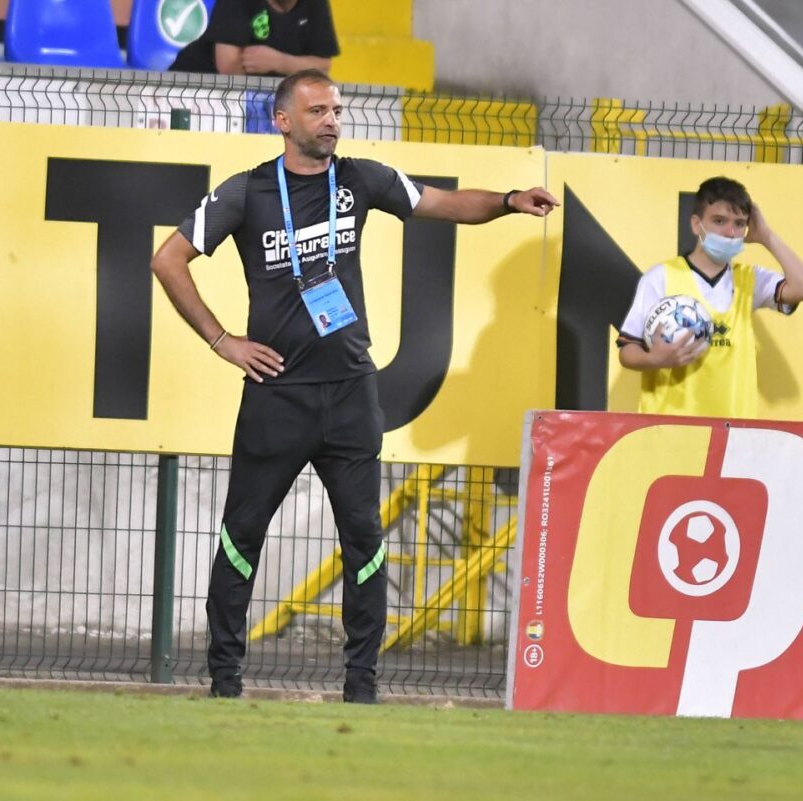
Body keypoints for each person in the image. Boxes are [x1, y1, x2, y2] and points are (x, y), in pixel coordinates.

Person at [151, 69, 558, 703]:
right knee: (241, 536)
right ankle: (225, 679)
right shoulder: (247, 191)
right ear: (283, 121)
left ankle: (361, 685)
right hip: (278, 396)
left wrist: (507, 200)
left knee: (363, 540)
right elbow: (167, 259)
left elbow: (445, 205)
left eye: (337, 110)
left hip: (350, 394)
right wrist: (222, 340)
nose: (332, 121)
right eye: (317, 111)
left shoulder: (361, 179)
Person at [616, 176, 803, 418]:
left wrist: (766, 236)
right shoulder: (660, 278)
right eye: (719, 221)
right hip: (672, 429)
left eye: (740, 224)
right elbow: (627, 350)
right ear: (696, 224)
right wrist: (655, 359)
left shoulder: (750, 280)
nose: (730, 232)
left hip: (732, 431)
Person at [170, 0, 338, 76]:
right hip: (194, 85)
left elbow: (322, 66)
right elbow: (228, 66)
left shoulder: (315, 4)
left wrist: (279, 62)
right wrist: (298, 65)